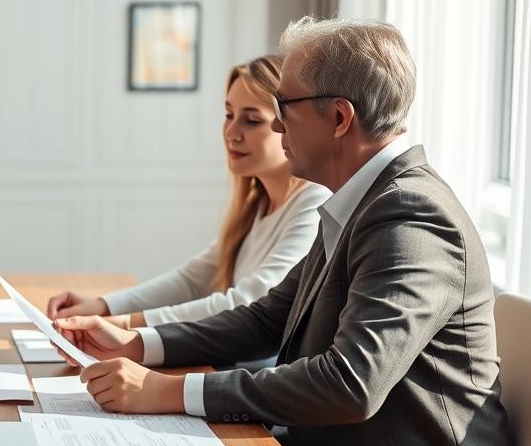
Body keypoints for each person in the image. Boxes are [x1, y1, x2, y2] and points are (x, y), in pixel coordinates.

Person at [52, 18, 516, 446]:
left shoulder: (409, 215)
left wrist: (168, 392)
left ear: (339, 117)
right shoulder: (359, 203)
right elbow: (266, 318)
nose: (275, 121)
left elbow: (351, 384)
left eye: (283, 104)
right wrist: (138, 344)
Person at [46, 55, 329, 329]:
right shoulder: (257, 204)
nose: (231, 132)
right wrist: (103, 306)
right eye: (229, 115)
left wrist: (125, 324)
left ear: (288, 125)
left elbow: (251, 302)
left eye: (251, 120)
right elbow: (192, 281)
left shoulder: (314, 202)